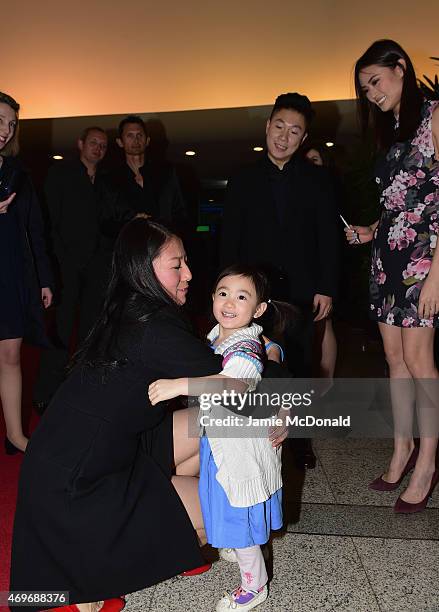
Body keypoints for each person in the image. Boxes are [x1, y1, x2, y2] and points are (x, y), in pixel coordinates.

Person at [10, 220, 287, 612]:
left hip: (101, 453)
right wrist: (277, 369)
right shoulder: (153, 330)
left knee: (217, 428)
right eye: (177, 265)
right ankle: (92, 585)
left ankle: (158, 543)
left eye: (186, 262)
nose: (190, 274)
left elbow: (240, 364)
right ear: (144, 268)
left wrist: (269, 364)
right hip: (83, 487)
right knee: (223, 519)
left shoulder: (133, 307)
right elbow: (244, 375)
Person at [149, 265, 288, 611]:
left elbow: (232, 385)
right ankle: (234, 542)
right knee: (219, 498)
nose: (229, 302)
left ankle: (254, 587)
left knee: (237, 509)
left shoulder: (244, 348)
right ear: (212, 297)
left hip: (239, 446)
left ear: (258, 309)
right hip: (221, 439)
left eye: (242, 297)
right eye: (223, 293)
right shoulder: (219, 334)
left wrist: (178, 386)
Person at [220, 92, 340, 469]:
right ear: (266, 126)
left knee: (300, 366)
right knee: (254, 361)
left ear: (304, 139)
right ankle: (251, 435)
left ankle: (299, 443)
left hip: (303, 289)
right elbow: (229, 237)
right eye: (278, 126)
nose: (284, 136)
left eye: (294, 131)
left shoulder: (319, 180)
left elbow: (328, 237)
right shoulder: (242, 178)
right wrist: (225, 291)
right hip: (252, 292)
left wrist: (327, 286)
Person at [346, 39, 439, 513]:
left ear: (400, 67)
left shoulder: (435, 117)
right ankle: (401, 449)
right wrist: (371, 230)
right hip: (388, 257)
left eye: (375, 82)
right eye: (364, 89)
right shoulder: (392, 130)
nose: (370, 94)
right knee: (393, 359)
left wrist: (438, 276)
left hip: (426, 258)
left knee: (419, 361)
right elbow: (400, 202)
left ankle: (427, 461)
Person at [33, 127, 109, 411]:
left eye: (103, 145)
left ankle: (81, 395)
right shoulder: (62, 174)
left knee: (92, 332)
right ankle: (45, 395)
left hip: (96, 270)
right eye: (93, 143)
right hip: (65, 268)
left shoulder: (105, 181)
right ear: (80, 144)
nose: (98, 149)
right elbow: (48, 221)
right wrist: (57, 263)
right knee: (60, 333)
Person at [0, 91, 53, 454]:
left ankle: (15, 434)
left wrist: (44, 278)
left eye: (11, 124)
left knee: (11, 356)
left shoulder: (17, 174)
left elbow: (35, 230)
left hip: (10, 272)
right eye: (0, 121)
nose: (5, 130)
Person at [112, 115, 187, 230]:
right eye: (130, 135)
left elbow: (179, 212)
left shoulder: (167, 174)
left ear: (147, 141)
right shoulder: (109, 180)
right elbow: (105, 222)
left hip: (163, 242)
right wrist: (131, 222)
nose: (136, 140)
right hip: (127, 245)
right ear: (120, 142)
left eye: (139, 135)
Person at [303, 142, 338, 380]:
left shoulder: (328, 189)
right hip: (305, 264)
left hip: (322, 267)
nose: (310, 166)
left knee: (324, 324)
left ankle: (327, 381)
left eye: (315, 160)